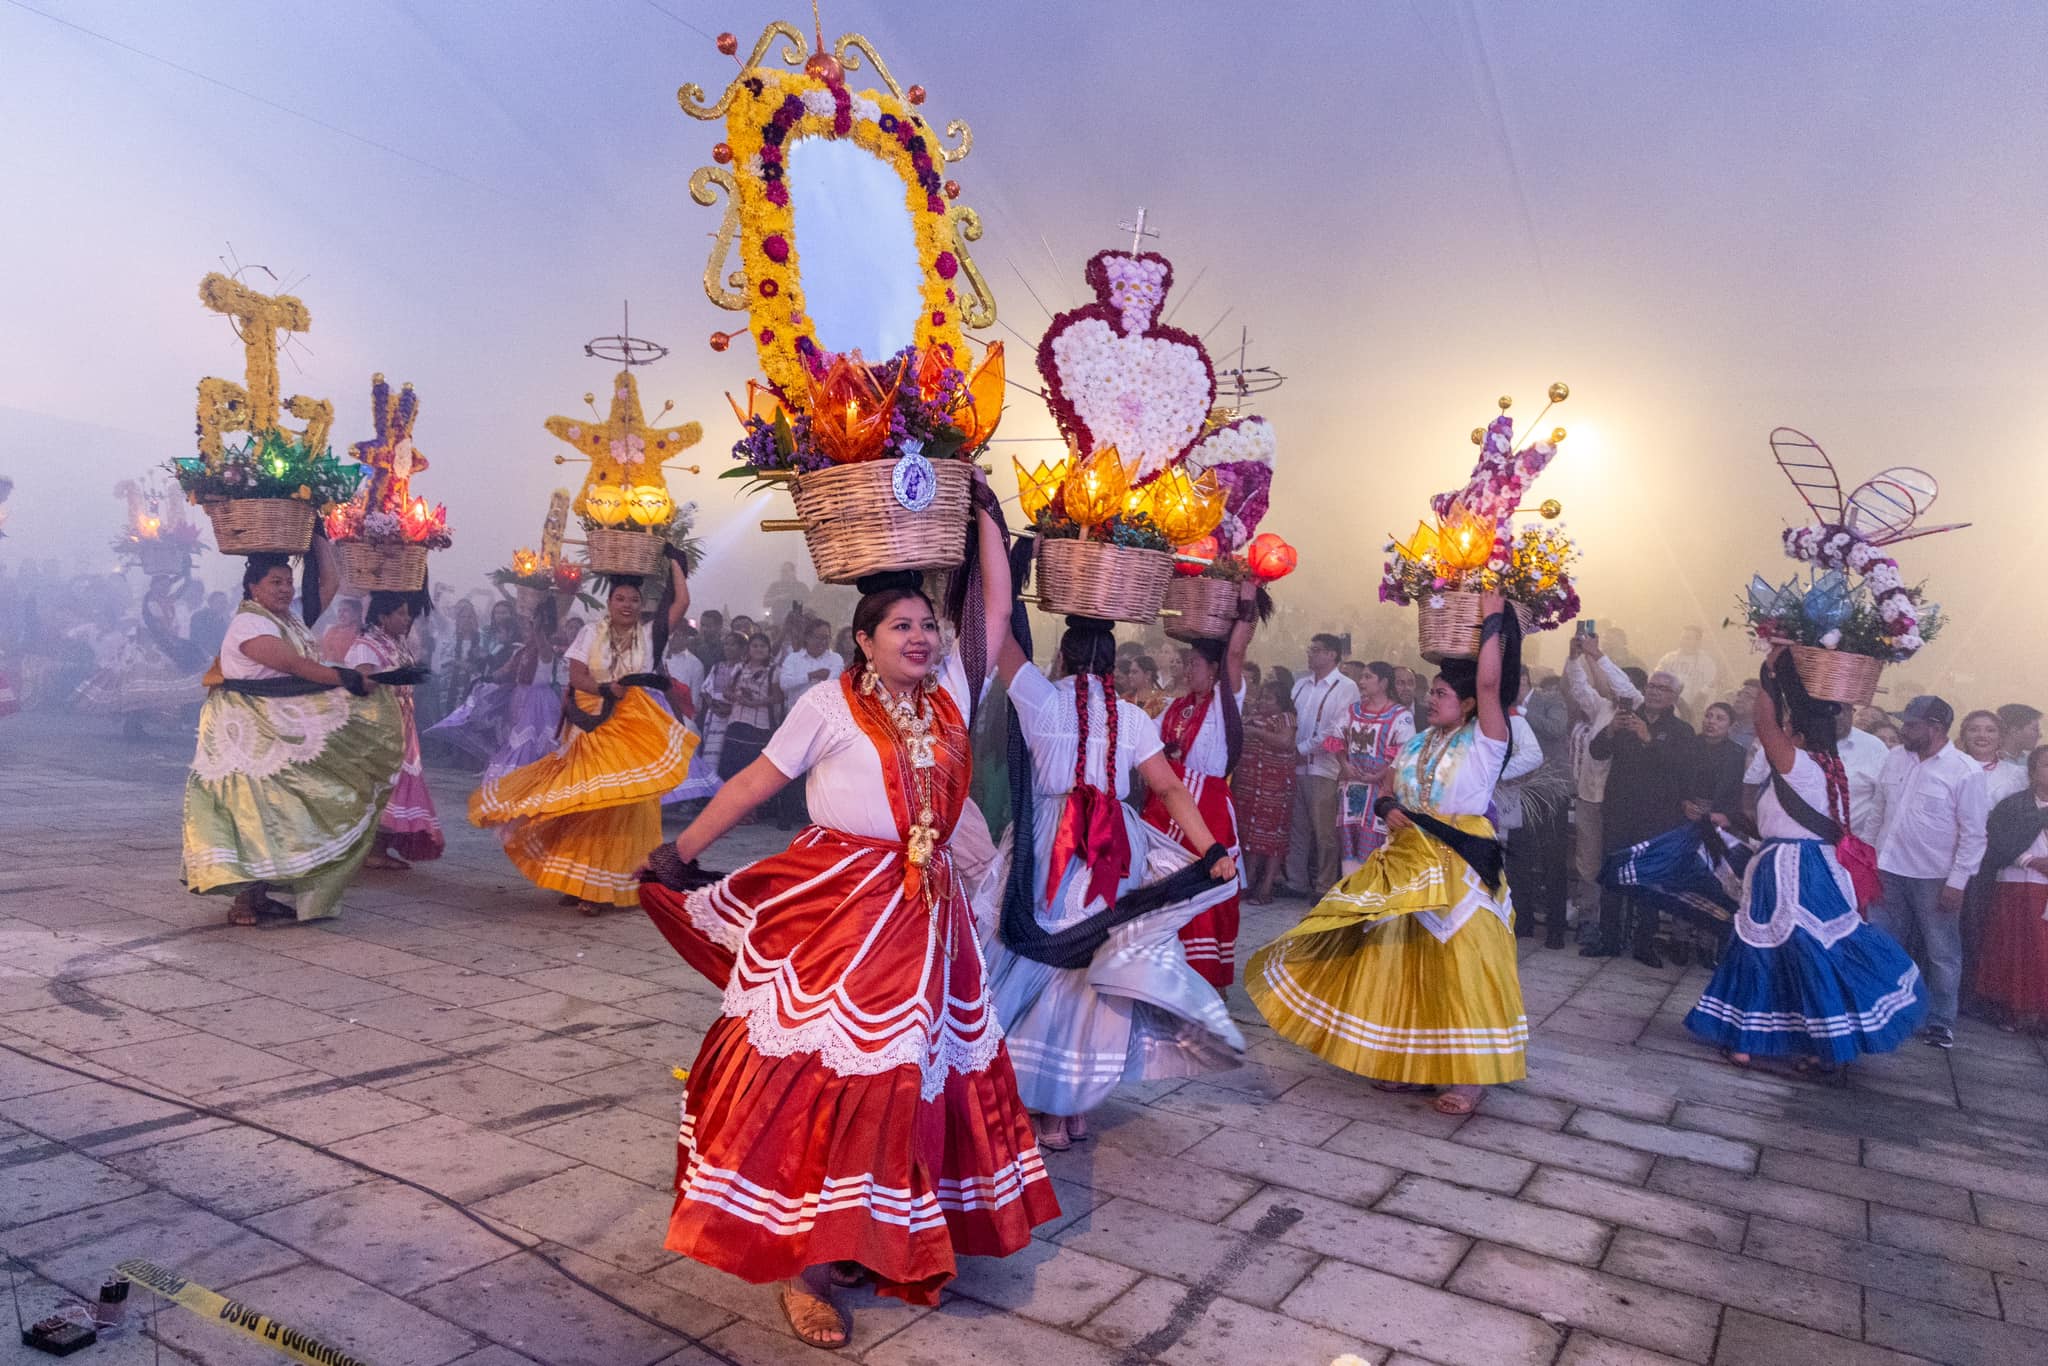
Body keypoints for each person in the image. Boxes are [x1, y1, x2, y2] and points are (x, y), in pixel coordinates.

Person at [638, 488, 1057, 1345]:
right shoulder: (827, 707)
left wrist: (981, 509)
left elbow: (995, 601)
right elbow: (756, 781)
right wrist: (682, 850)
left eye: (925, 626)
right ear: (862, 642)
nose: (919, 637)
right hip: (836, 913)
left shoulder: (949, 692)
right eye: (899, 627)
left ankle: (871, 1232)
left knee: (909, 1087)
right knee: (822, 1081)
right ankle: (806, 1268)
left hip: (927, 920)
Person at [1249, 594, 1525, 1116]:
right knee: (1406, 962)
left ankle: (1468, 1078)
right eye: (1432, 693)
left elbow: (1490, 683)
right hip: (1407, 863)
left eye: (1442, 694)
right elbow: (1391, 789)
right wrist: (1390, 805)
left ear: (1468, 704)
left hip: (1461, 871)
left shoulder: (1486, 739)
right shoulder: (1420, 741)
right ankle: (1410, 1063)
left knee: (1461, 966)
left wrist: (1492, 616)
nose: (1432, 700)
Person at [980, 612, 1244, 1150]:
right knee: (1091, 968)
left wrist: (1005, 561)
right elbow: (1170, 790)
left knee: (1038, 958)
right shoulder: (1131, 717)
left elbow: (998, 631)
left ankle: (1046, 1106)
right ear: (1114, 666)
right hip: (1115, 849)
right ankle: (1072, 1105)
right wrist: (1211, 849)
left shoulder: (1039, 696)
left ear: (1063, 658)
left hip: (1050, 842)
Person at [1684, 655, 1925, 1070]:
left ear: (1795, 733)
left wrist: (1767, 678)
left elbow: (1763, 723)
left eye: (1788, 727)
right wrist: (1787, 677)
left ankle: (1749, 1041)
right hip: (1818, 866)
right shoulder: (1830, 766)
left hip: (1790, 868)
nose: (1780, 733)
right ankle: (1816, 1042)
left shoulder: (1798, 765)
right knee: (1811, 950)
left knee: (1766, 948)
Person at [182, 550, 400, 925]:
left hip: (275, 724)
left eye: (288, 581)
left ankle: (263, 894)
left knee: (277, 810)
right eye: (275, 582)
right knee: (250, 810)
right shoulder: (250, 625)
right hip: (245, 732)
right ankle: (244, 902)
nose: (285, 589)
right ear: (253, 587)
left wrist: (317, 535)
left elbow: (328, 585)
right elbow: (295, 666)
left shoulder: (286, 619)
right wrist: (346, 678)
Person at [471, 563, 696, 916]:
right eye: (620, 598)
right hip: (591, 725)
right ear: (609, 602)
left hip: (633, 727)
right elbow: (576, 676)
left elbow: (681, 602)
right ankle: (578, 882)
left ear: (641, 606)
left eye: (634, 600)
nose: (626, 605)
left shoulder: (651, 635)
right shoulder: (591, 633)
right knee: (586, 804)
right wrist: (605, 687)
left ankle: (601, 887)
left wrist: (673, 562)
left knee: (622, 805)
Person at [1139, 582, 1259, 989]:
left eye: (1195, 664)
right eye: (1186, 663)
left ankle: (1206, 981)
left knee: (1209, 889)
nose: (1187, 670)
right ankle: (1164, 969)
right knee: (1163, 887)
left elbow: (1237, 654)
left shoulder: (1227, 699)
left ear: (1213, 670)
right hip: (1168, 808)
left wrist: (1246, 606)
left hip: (1206, 806)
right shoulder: (1174, 706)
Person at [1871, 695, 1978, 1049]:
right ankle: (1882, 1010)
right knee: (1883, 942)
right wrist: (1866, 856)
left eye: (1912, 724)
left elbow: (1974, 833)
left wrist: (1958, 882)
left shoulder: (1965, 771)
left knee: (1942, 951)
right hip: (1886, 867)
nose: (1904, 730)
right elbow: (1878, 810)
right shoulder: (1894, 758)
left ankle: (1940, 1020)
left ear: (1935, 728)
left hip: (1935, 875)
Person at [1585, 670, 1693, 965]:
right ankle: (1608, 938)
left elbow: (1681, 767)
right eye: (1651, 686)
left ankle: (1644, 944)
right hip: (1619, 810)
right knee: (1613, 875)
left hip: (1657, 816)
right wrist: (1610, 732)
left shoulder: (1681, 730)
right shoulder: (1624, 717)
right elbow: (1596, 752)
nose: (1655, 692)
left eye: (1662, 689)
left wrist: (1648, 739)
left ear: (1674, 697)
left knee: (1648, 879)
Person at [343, 591, 442, 868]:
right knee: (381, 782)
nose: (406, 618)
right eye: (400, 613)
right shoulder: (366, 645)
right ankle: (370, 850)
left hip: (401, 720)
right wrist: (398, 679)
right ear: (382, 616)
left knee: (397, 782)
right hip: (379, 724)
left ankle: (379, 849)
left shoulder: (395, 641)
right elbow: (363, 683)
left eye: (407, 613)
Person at [1565, 629, 1642, 939]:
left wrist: (1597, 654)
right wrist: (1574, 657)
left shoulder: (1636, 704)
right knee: (1587, 862)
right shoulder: (1602, 707)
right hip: (1588, 796)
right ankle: (1589, 921)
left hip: (1620, 800)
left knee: (1617, 861)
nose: (1609, 686)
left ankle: (1617, 925)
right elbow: (1578, 686)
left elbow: (1623, 686)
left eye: (1614, 682)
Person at [1970, 745, 2048, 1032]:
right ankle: (2009, 1008)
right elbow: (1997, 839)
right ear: (2032, 772)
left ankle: (2042, 1012)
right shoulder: (2014, 806)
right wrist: (2029, 859)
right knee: (2013, 947)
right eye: (2046, 766)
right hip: (2016, 883)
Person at [72, 572, 205, 737]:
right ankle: (132, 724)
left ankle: (136, 724)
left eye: (167, 585)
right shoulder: (148, 603)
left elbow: (184, 586)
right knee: (138, 688)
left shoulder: (167, 601)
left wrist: (184, 566)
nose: (164, 588)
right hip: (145, 649)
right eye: (161, 584)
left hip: (161, 648)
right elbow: (155, 628)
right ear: (153, 586)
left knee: (149, 689)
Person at [1284, 633, 1360, 896]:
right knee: (1297, 827)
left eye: (1317, 650)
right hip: (1296, 765)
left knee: (1325, 831)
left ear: (1332, 655)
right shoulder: (1301, 685)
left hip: (1325, 767)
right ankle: (1295, 882)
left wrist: (1302, 749)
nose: (1310, 654)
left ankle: (1324, 885)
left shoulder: (1346, 686)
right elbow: (1290, 718)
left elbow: (1336, 730)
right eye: (1310, 649)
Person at [1504, 672, 1572, 946]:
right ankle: (1523, 921)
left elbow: (1557, 729)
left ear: (1526, 680)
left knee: (1552, 859)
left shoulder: (1550, 699)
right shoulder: (1501, 707)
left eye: (1517, 681)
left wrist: (1521, 711)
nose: (1514, 688)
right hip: (1518, 790)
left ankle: (1556, 927)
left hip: (1550, 791)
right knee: (1519, 858)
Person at [1336, 661, 1414, 876]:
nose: (1361, 682)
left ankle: (1371, 899)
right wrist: (1345, 765)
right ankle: (1350, 894)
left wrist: (1379, 775)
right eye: (1362, 677)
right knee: (1349, 842)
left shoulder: (1401, 716)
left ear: (1383, 683)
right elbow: (1337, 740)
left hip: (1380, 791)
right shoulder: (1353, 711)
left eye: (1368, 677)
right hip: (1351, 789)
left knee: (1375, 844)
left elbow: (1403, 755)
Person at [1234, 677, 1298, 905]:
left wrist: (1257, 733)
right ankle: (1248, 882)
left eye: (1269, 699)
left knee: (1273, 839)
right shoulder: (1253, 717)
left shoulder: (1286, 718)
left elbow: (1285, 743)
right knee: (1251, 837)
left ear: (1282, 702)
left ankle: (1266, 888)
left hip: (1275, 788)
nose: (1263, 702)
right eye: (1262, 697)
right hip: (1251, 788)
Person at [713, 632, 777, 781]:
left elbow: (778, 697)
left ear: (768, 649)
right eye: (755, 646)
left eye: (762, 646)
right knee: (731, 769)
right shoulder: (740, 668)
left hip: (760, 726)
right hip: (736, 722)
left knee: (752, 771)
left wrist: (754, 703)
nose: (758, 649)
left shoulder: (774, 670)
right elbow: (727, 691)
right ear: (749, 649)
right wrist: (739, 697)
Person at [1656, 626, 1720, 722]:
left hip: (1691, 712)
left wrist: (1704, 712)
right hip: (1666, 710)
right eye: (1683, 637)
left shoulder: (1707, 663)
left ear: (1698, 641)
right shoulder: (1668, 658)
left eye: (1688, 638)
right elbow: (1656, 679)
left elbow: (1711, 689)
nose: (1684, 641)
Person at [777, 615, 843, 704]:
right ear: (807, 638)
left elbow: (832, 683)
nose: (823, 642)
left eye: (826, 638)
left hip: (824, 713)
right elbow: (784, 684)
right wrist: (810, 676)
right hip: (798, 713)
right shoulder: (793, 658)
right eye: (818, 637)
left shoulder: (836, 658)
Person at [1115, 652, 1168, 719]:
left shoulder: (1162, 699)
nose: (1130, 675)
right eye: (1130, 672)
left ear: (1148, 674)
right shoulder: (1125, 698)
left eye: (1134, 672)